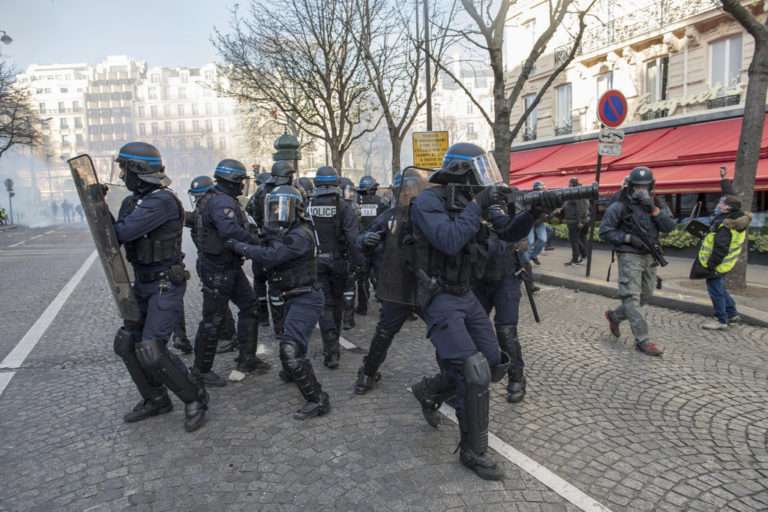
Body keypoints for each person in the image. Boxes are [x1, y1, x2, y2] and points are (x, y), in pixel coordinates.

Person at [408, 143, 555, 480]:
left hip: (465, 293)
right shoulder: (429, 201)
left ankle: (429, 390)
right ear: (462, 173)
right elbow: (448, 239)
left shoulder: (477, 203)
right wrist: (479, 203)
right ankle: (473, 452)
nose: (485, 182)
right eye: (480, 174)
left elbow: (507, 233)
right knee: (472, 370)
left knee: (493, 362)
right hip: (439, 295)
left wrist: (535, 213)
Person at [110, 141, 208, 432]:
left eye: (124, 169)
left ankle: (195, 398)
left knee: (152, 349)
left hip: (165, 284)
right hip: (142, 283)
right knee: (126, 343)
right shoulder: (134, 201)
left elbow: (122, 232)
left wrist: (96, 206)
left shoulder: (161, 201)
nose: (121, 175)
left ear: (137, 170)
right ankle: (156, 399)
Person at [225, 185, 330, 420]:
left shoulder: (301, 234)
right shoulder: (282, 233)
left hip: (306, 297)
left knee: (290, 347)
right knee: (289, 341)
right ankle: (293, 372)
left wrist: (239, 246)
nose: (278, 213)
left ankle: (318, 399)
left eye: (283, 208)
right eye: (274, 208)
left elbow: (272, 256)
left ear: (298, 210)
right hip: (290, 296)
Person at [192, 159, 271, 387]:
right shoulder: (221, 202)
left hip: (227, 266)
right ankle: (200, 370)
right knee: (213, 320)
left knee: (250, 307)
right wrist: (256, 241)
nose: (242, 186)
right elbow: (230, 231)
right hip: (218, 268)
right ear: (233, 181)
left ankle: (247, 359)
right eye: (240, 181)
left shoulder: (215, 198)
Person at [353, 173, 422, 394]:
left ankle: (450, 381)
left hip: (426, 286)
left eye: (410, 190)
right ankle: (368, 372)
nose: (406, 194)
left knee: (445, 331)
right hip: (398, 285)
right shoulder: (390, 216)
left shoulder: (431, 215)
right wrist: (366, 241)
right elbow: (364, 236)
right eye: (402, 191)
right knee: (384, 333)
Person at [600, 166, 675, 356]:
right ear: (631, 186)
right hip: (629, 255)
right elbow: (605, 231)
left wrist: (654, 209)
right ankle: (643, 339)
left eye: (645, 186)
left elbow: (669, 227)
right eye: (637, 186)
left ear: (651, 186)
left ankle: (615, 316)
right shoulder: (620, 205)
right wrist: (627, 238)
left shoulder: (657, 203)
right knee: (631, 298)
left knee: (645, 296)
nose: (641, 189)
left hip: (650, 255)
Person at [172, 175, 236, 355]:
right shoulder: (200, 213)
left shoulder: (216, 212)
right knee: (218, 300)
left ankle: (229, 336)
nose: (199, 200)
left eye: (201, 196)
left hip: (219, 264)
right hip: (207, 263)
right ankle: (228, 335)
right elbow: (186, 217)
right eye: (197, 197)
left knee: (218, 302)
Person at [307, 167, 361, 368]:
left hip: (315, 262)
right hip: (339, 262)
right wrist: (359, 263)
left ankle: (330, 351)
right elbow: (353, 239)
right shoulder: (344, 206)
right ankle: (334, 348)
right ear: (336, 183)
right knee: (336, 304)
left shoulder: (307, 204)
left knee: (325, 305)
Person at [690, 167, 751, 330]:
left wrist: (711, 265)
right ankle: (732, 314)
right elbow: (731, 197)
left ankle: (721, 320)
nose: (718, 204)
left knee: (715, 290)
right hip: (725, 263)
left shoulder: (726, 225)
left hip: (717, 263)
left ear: (726, 208)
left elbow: (720, 248)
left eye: (720, 203)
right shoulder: (736, 215)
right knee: (720, 288)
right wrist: (724, 179)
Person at [246, 162, 296, 332]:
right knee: (280, 285)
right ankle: (284, 324)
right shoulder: (291, 191)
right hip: (284, 244)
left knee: (260, 281)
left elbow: (249, 214)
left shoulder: (260, 192)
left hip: (263, 242)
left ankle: (263, 317)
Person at [355, 175, 387, 316]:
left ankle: (362, 307)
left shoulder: (355, 204)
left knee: (362, 278)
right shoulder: (381, 203)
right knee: (380, 277)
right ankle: (384, 305)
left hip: (361, 245)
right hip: (378, 245)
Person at [339, 176, 360, 330]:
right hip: (346, 252)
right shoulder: (348, 208)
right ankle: (347, 319)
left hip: (335, 253)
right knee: (348, 287)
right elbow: (353, 236)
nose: (351, 194)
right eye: (349, 190)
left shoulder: (348, 206)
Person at [562, 177, 589, 265]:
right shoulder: (578, 192)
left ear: (572, 184)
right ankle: (583, 255)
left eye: (569, 184)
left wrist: (580, 221)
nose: (568, 185)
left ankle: (576, 258)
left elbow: (580, 208)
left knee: (574, 240)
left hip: (574, 221)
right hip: (574, 220)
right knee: (576, 239)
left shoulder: (577, 193)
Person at [526, 181, 548, 265]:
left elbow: (548, 211)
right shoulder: (530, 198)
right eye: (537, 190)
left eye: (541, 190)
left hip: (539, 221)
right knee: (530, 242)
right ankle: (526, 261)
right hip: (530, 222)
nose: (539, 192)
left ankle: (533, 255)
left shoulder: (546, 198)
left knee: (543, 239)